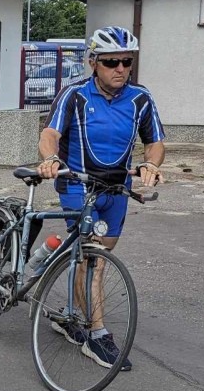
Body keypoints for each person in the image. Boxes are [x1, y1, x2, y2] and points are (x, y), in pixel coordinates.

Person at [37, 25, 165, 371]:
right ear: (94, 62)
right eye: (112, 62)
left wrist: (151, 164)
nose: (121, 68)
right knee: (93, 259)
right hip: (78, 185)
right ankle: (97, 335)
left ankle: (68, 308)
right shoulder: (75, 95)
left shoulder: (140, 99)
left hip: (116, 189)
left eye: (127, 61)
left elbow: (155, 142)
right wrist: (49, 159)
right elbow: (50, 133)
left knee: (97, 254)